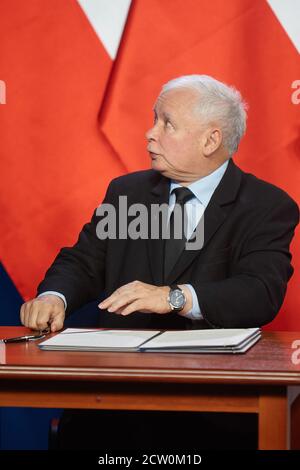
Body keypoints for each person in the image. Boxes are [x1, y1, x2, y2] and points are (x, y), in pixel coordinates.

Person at [20, 75, 299, 449]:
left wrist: (175, 297)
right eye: (154, 119)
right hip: (114, 407)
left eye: (167, 123)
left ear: (210, 139)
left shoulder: (266, 206)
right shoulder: (127, 191)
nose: (150, 133)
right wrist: (54, 295)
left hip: (212, 412)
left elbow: (260, 292)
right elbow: (85, 260)